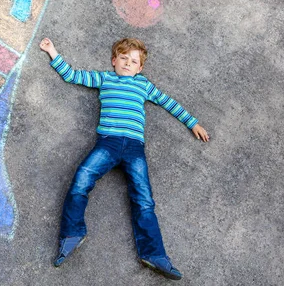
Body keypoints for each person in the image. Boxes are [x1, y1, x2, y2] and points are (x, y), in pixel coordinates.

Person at [40, 37, 209, 281]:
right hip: (107, 143)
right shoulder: (105, 79)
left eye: (134, 61)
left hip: (134, 148)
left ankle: (154, 254)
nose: (128, 64)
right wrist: (52, 51)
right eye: (123, 59)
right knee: (80, 181)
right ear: (114, 61)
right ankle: (72, 234)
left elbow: (169, 103)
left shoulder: (144, 85)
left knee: (144, 199)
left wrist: (193, 123)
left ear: (140, 68)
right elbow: (72, 75)